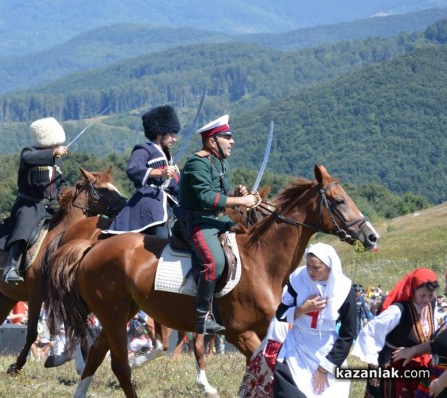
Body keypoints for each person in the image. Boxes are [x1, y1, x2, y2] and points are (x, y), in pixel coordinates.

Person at [176, 114, 260, 334]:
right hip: (197, 222)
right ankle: (202, 317)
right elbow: (206, 197)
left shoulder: (221, 161)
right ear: (212, 141)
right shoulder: (197, 162)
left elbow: (221, 194)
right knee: (214, 263)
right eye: (227, 137)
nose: (232, 141)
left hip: (217, 219)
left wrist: (236, 193)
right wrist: (241, 200)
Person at [273, 243, 356, 397]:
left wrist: (324, 369)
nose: (310, 271)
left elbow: (348, 334)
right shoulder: (298, 278)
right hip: (297, 345)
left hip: (326, 348)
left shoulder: (344, 289)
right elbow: (281, 314)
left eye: (316, 268)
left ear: (329, 267)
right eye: (308, 265)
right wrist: (303, 309)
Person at [0, 116, 68, 283]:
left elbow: (60, 183)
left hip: (49, 207)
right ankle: (10, 267)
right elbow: (29, 158)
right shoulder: (28, 153)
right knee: (24, 228)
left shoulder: (58, 162)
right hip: (28, 205)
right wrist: (52, 153)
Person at [351, 267, 439, 398]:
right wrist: (373, 366)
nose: (426, 300)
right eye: (422, 295)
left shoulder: (432, 304)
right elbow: (371, 332)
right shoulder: (397, 310)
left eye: (430, 295)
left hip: (419, 367)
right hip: (393, 368)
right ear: (413, 290)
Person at [104, 105, 180, 238]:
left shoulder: (169, 157)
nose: (174, 138)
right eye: (171, 134)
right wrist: (160, 173)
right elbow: (133, 169)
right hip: (150, 202)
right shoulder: (144, 149)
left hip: (171, 202)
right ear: (159, 133)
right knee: (163, 238)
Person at [389, 267, 447, 398]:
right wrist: (413, 350)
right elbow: (439, 343)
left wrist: (441, 383)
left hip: (446, 383)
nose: (445, 290)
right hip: (437, 376)